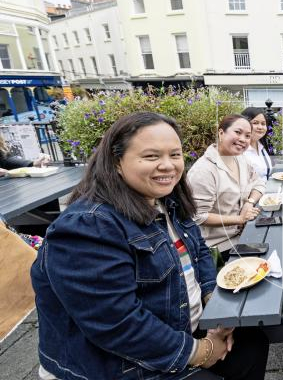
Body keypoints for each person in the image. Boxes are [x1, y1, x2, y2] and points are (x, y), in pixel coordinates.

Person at [30, 112, 269, 380]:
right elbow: (117, 324)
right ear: (116, 161)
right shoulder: (88, 227)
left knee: (252, 343)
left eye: (175, 155)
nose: (167, 166)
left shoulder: (167, 202)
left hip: (179, 328)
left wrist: (216, 309)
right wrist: (200, 351)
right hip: (119, 362)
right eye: (152, 156)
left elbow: (200, 252)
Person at [187, 114, 265, 262]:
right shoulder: (203, 171)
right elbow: (198, 216)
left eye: (248, 136)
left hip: (244, 234)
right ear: (221, 133)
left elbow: (259, 182)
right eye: (237, 132)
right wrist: (239, 219)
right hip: (218, 248)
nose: (243, 139)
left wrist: (249, 203)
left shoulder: (240, 158)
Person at [241, 107, 273, 182]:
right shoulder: (240, 150)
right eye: (255, 123)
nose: (260, 127)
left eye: (263, 124)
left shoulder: (261, 147)